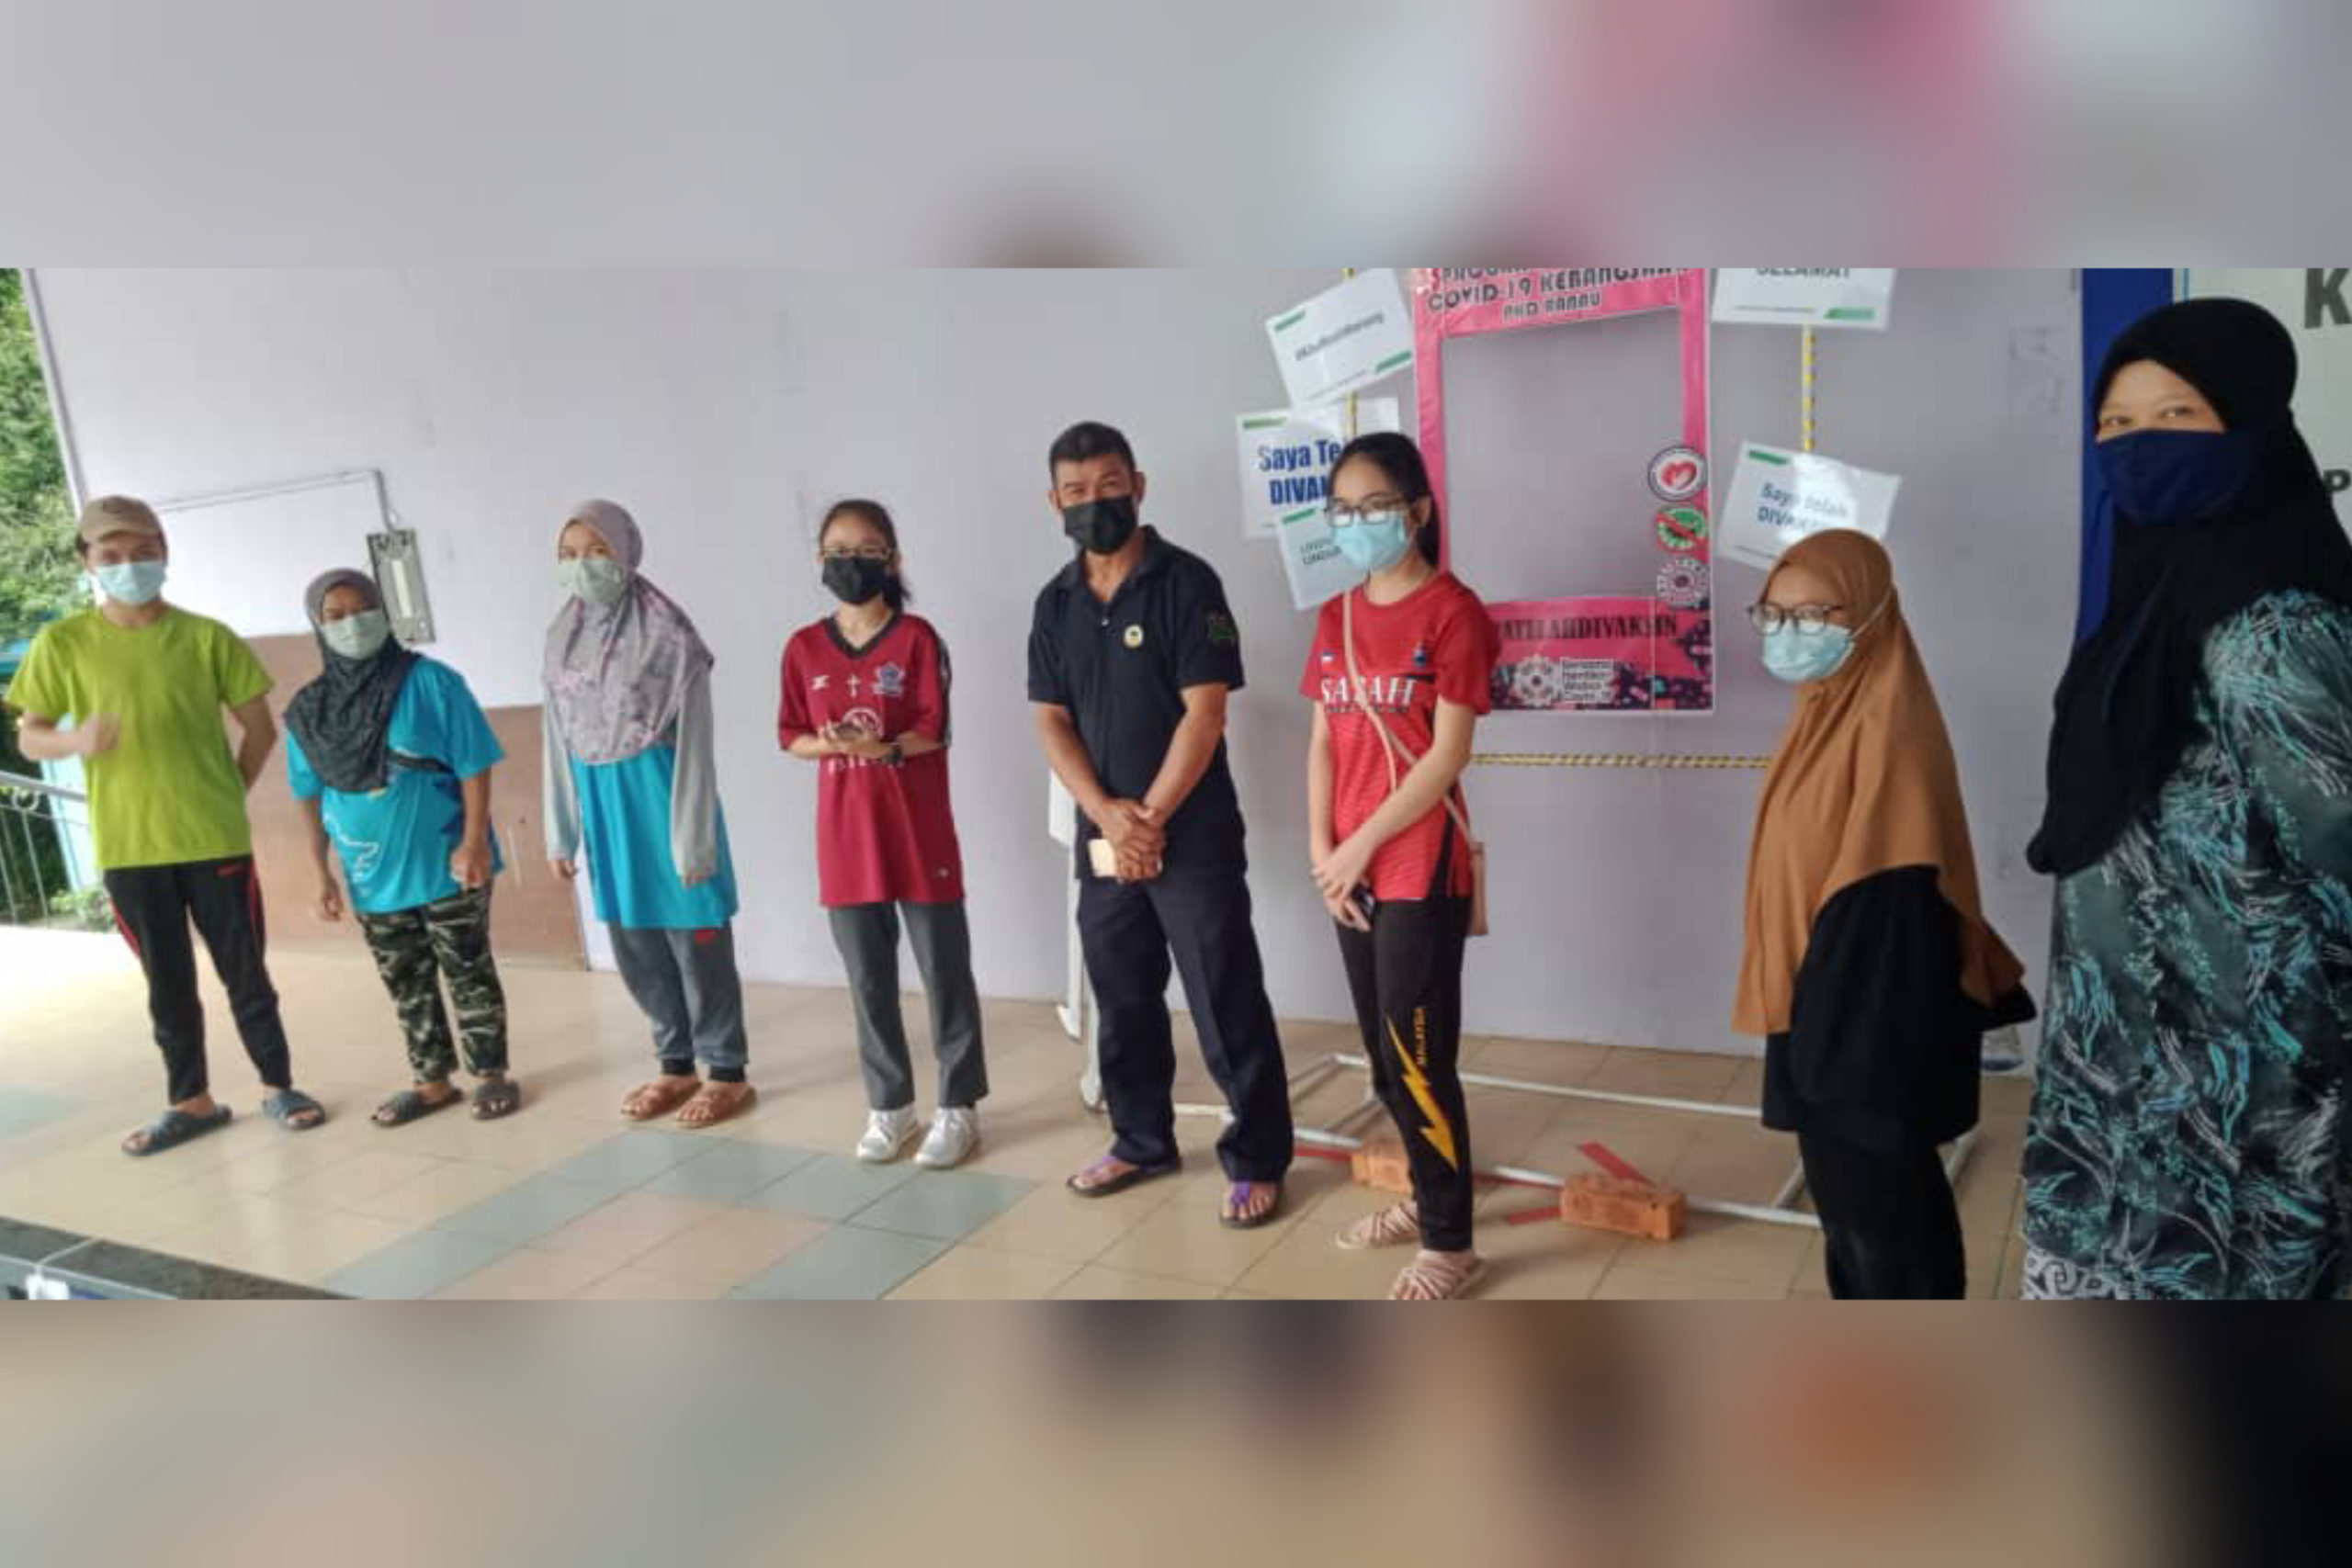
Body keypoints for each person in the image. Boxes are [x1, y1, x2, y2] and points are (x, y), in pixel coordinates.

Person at [2022, 298, 2352, 1301]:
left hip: (2239, 1057)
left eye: (2176, 417)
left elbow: (2337, 842)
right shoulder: (2155, 592)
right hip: (2129, 1029)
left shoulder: (2271, 625)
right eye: (2115, 424)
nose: (2138, 447)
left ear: (2251, 429)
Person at [1736, 528, 2033, 1299]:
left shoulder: (1886, 730)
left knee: (1881, 1219)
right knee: (1855, 1215)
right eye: (1774, 613)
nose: (1789, 631)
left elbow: (1887, 901)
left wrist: (1824, 1052)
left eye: (1814, 614)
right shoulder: (1824, 712)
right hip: (1826, 1009)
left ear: (1870, 614)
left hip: (1862, 1025)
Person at [1028, 421, 1294, 1225]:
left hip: (1194, 834)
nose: (1094, 503)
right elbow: (1051, 721)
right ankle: (1141, 1139)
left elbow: (1204, 714)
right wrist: (1106, 814)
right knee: (1122, 995)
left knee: (1224, 994)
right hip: (1104, 837)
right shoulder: (1055, 602)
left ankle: (1256, 1156)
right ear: (1054, 502)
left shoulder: (1187, 582)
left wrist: (1149, 819)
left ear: (1138, 486)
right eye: (1076, 492)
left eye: (1109, 486)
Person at [4, 496, 326, 1154]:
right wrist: (75, 740)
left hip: (214, 839)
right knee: (168, 983)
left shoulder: (207, 637)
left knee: (246, 972)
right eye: (112, 555)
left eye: (143, 551)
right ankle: (191, 1101)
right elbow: (31, 737)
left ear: (165, 551)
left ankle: (280, 1086)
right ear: (87, 561)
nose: (130, 565)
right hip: (130, 846)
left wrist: (226, 792)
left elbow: (260, 728)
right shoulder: (63, 644)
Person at [1300, 432, 1500, 1301]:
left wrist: (1358, 846)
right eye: (1342, 509)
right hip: (1350, 870)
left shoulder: (1455, 613)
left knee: (1420, 1061)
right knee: (1384, 1061)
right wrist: (1323, 849)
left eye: (1375, 506)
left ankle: (1451, 1243)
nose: (1358, 523)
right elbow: (1322, 740)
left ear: (1417, 511)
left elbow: (1447, 754)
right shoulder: (1335, 616)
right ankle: (1426, 1198)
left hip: (1420, 867)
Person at [780, 500, 987, 1167]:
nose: (851, 561)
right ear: (820, 558)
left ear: (893, 560)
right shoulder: (803, 648)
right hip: (846, 838)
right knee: (868, 980)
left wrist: (883, 749)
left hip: (918, 832)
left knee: (944, 971)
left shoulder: (918, 639)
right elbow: (791, 735)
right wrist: (832, 743)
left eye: (867, 550)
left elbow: (934, 729)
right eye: (838, 550)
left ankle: (958, 1105)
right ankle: (890, 1106)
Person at [544, 499, 755, 1128]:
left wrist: (693, 839)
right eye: (569, 554)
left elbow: (697, 745)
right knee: (634, 939)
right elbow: (555, 737)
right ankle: (675, 1063)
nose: (583, 565)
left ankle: (726, 1070)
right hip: (603, 807)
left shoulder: (670, 636)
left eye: (597, 550)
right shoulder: (561, 637)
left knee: (696, 934)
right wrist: (562, 832)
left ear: (626, 551)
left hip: (663, 798)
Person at [285, 569, 522, 1126]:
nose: (352, 623)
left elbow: (474, 763)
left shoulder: (432, 682)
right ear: (317, 625)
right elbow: (308, 794)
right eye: (335, 615)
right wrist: (320, 872)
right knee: (406, 982)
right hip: (371, 875)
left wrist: (474, 842)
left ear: (384, 611)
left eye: (362, 609)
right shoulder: (309, 710)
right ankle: (431, 1082)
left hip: (447, 863)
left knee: (468, 970)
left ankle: (490, 1074)